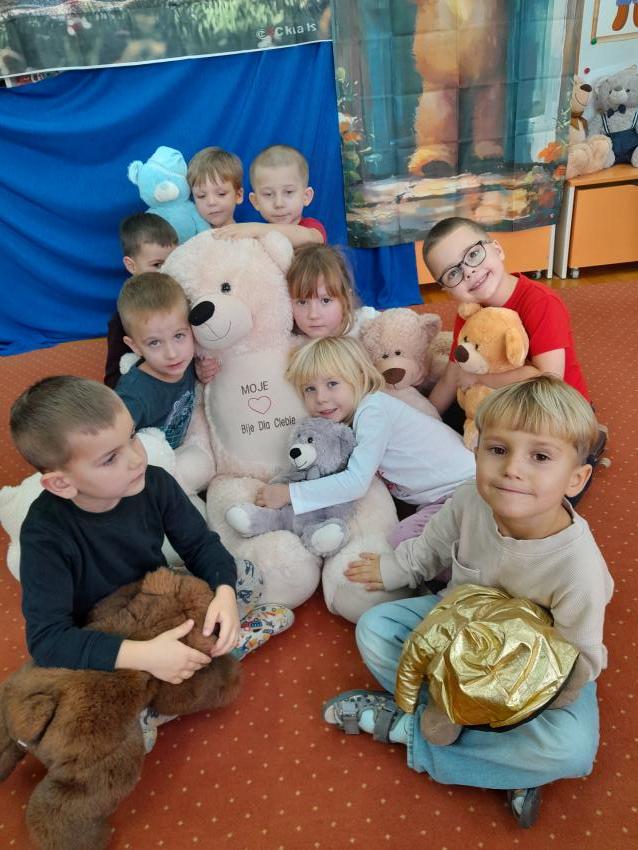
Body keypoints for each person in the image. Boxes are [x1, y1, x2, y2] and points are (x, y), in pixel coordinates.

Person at [323, 376, 613, 827]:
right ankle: (503, 760)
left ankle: (412, 731)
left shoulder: (580, 568)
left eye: (539, 457)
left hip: (533, 676)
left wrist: (515, 711)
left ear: (576, 478)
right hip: (454, 629)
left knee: (573, 751)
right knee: (375, 628)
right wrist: (393, 570)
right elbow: (431, 548)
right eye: (498, 449)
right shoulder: (469, 498)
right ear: (476, 451)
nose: (512, 469)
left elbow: (581, 659)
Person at [11, 376, 294, 750]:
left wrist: (225, 594)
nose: (136, 458)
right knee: (104, 722)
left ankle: (222, 641)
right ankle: (214, 654)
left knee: (245, 576)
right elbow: (48, 639)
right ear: (62, 484)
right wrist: (146, 655)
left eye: (132, 436)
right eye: (110, 458)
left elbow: (200, 546)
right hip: (106, 632)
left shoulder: (155, 482)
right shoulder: (44, 535)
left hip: (158, 600)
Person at [256, 335, 475, 556]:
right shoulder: (348, 421)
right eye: (309, 389)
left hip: (463, 490)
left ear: (360, 378)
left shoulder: (372, 411)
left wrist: (290, 493)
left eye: (332, 384)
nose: (320, 397)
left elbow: (356, 482)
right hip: (442, 498)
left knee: (405, 543)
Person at [115, 272, 197, 450]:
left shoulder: (191, 362)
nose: (172, 354)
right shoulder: (133, 394)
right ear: (135, 346)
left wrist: (205, 371)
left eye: (179, 336)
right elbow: (114, 443)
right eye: (154, 343)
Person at [104, 213, 178, 389]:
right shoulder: (123, 318)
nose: (167, 271)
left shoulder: (181, 299)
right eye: (157, 265)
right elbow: (112, 379)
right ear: (131, 265)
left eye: (172, 261)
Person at [212, 144, 327, 246]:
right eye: (268, 194)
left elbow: (312, 238)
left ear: (306, 197)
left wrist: (255, 229)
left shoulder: (311, 227)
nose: (279, 203)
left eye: (288, 192)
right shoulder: (257, 237)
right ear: (255, 201)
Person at [287, 243, 378, 339]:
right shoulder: (290, 340)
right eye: (302, 302)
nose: (313, 315)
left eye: (325, 300)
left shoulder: (368, 323)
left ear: (346, 299)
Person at [187, 146, 245, 229]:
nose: (211, 202)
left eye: (221, 194)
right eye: (201, 196)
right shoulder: (189, 235)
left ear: (238, 195)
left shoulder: (252, 234)